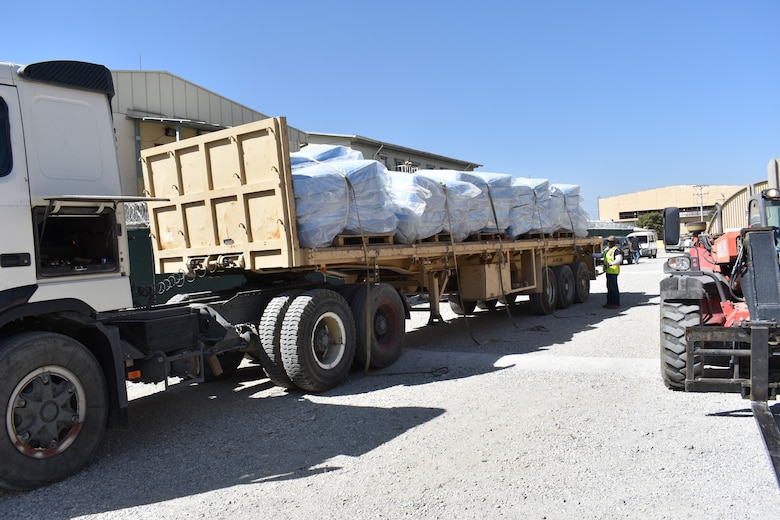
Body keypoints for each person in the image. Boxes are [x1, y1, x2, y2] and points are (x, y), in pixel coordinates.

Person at [592, 236, 622, 309]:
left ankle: (616, 303)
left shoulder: (616, 250)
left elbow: (619, 259)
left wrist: (611, 264)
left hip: (613, 271)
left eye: (610, 242)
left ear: (614, 242)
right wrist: (591, 254)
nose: (609, 243)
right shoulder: (607, 249)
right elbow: (601, 255)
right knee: (609, 288)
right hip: (608, 271)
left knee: (613, 288)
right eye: (608, 241)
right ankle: (609, 303)